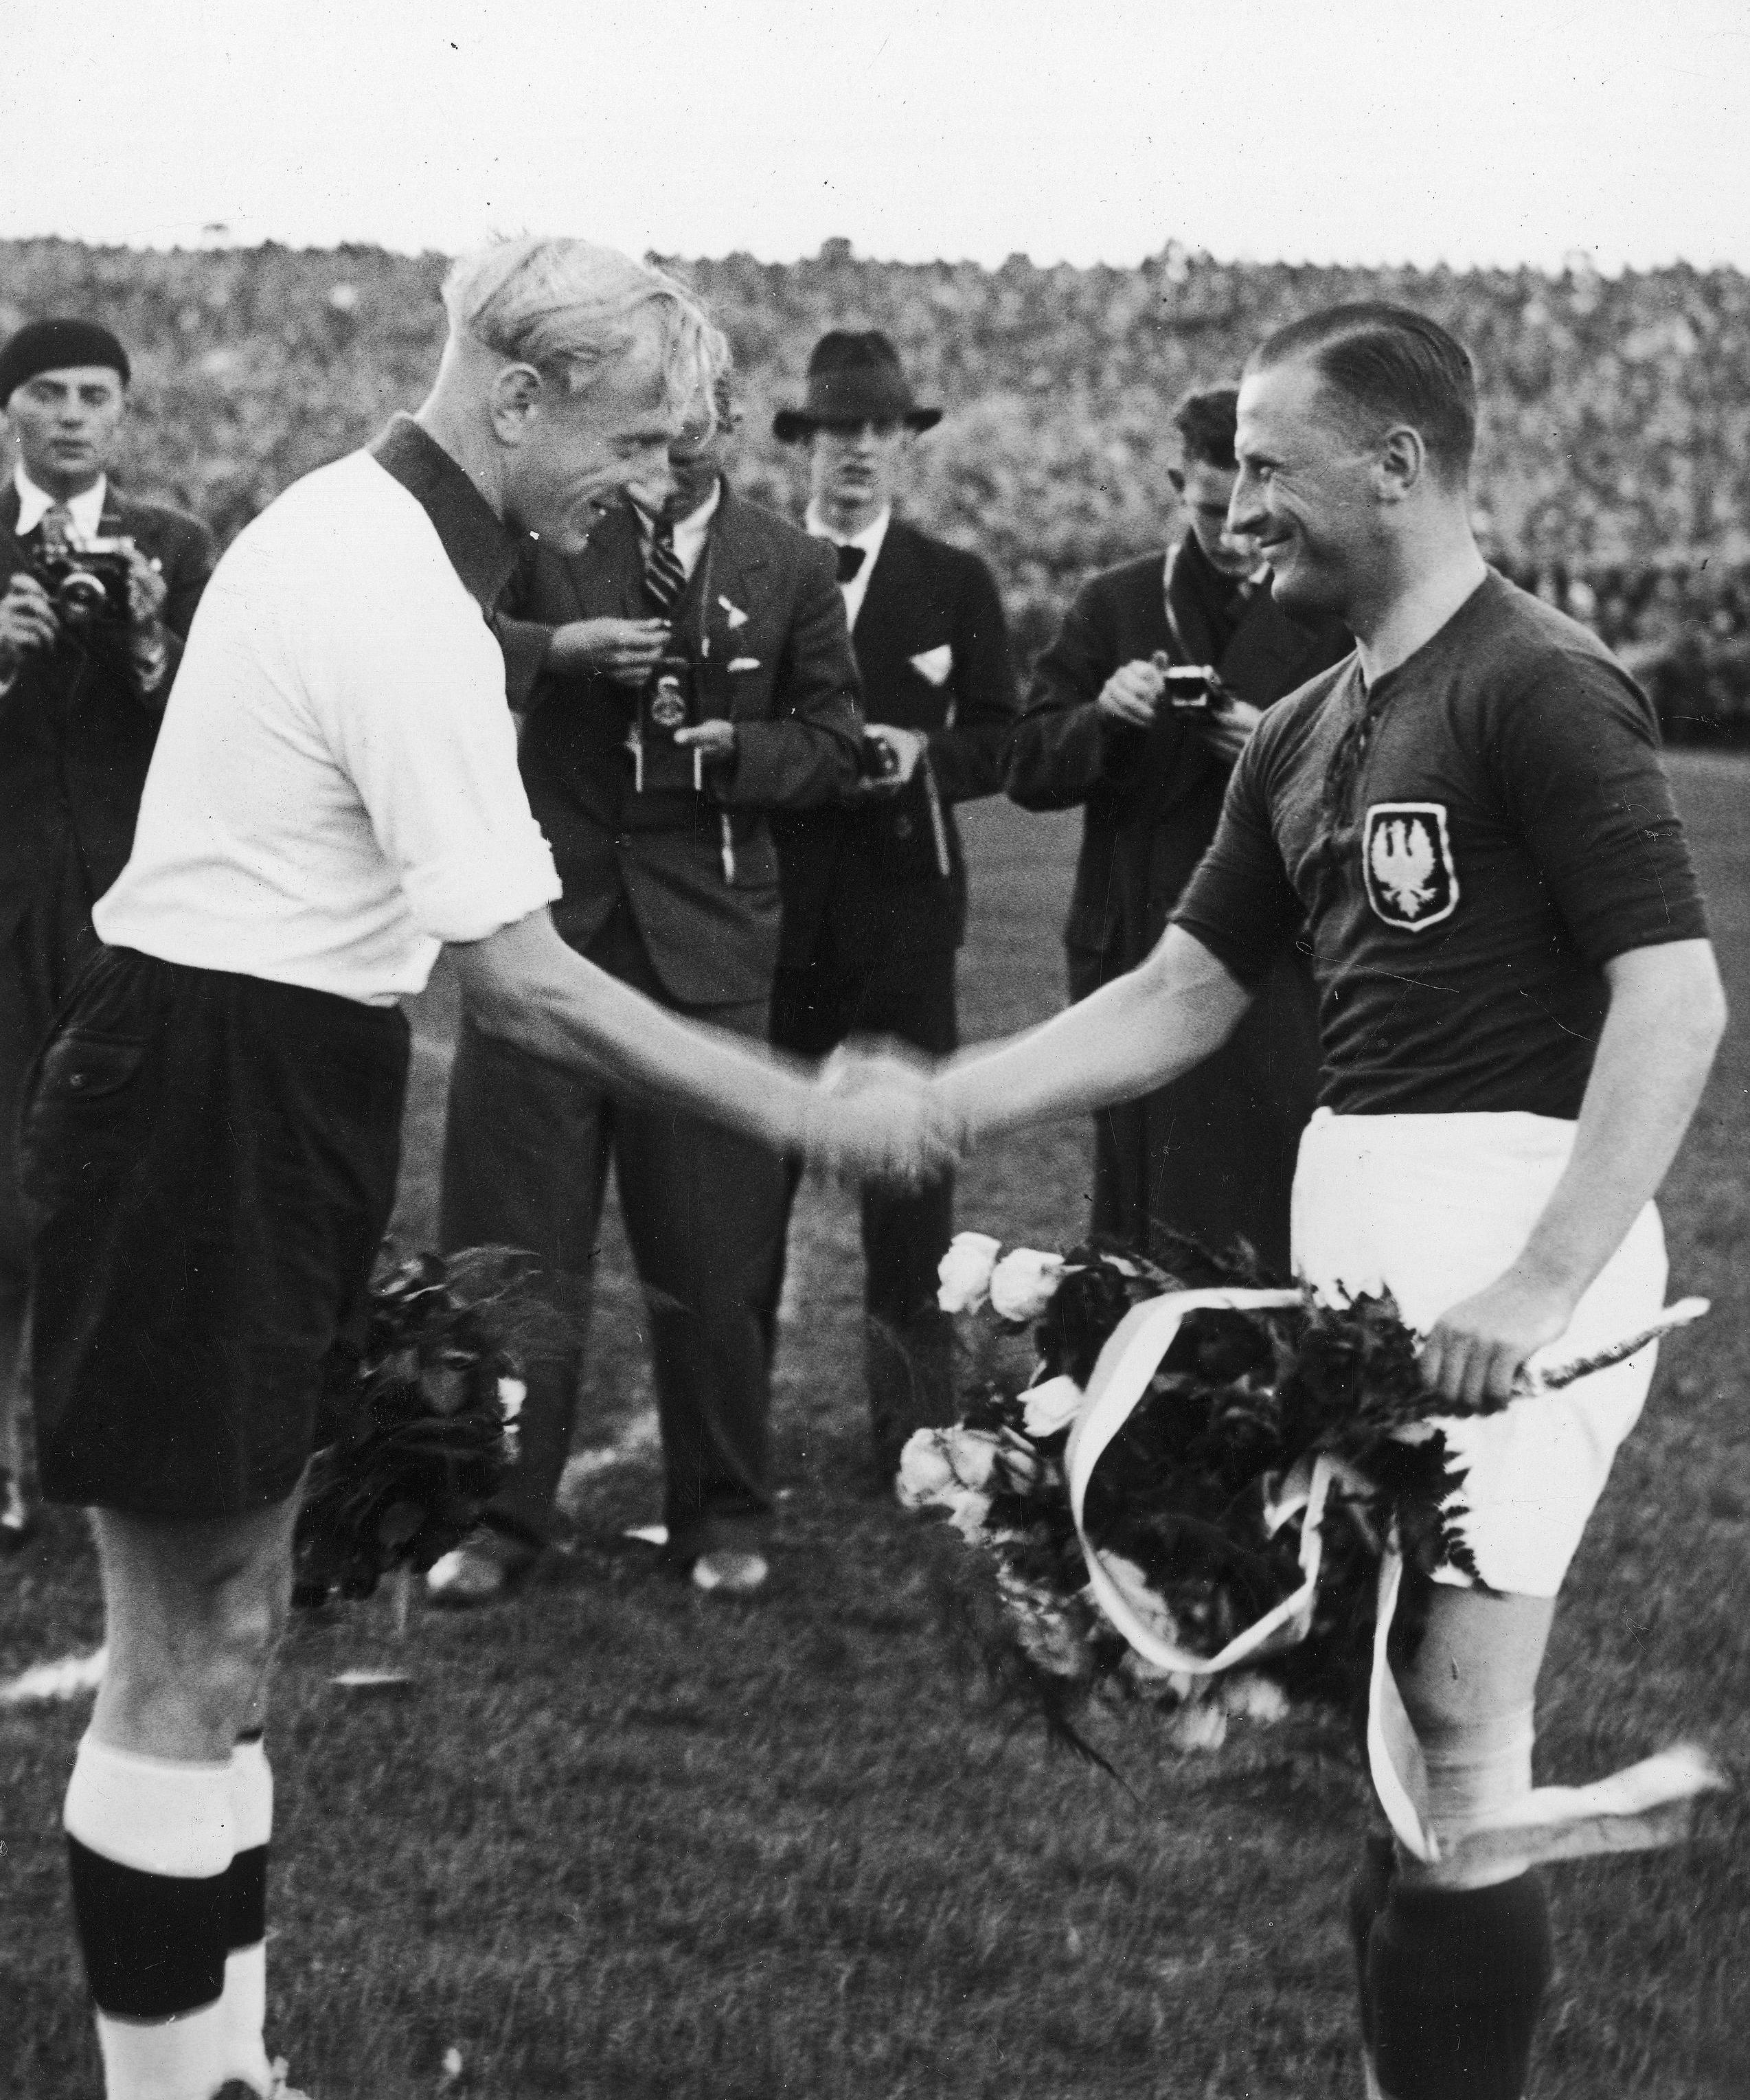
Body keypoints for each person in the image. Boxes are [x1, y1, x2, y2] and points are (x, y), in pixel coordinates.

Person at [22, 238, 953, 2100]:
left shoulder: (392, 550)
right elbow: (524, 981)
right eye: (626, 442)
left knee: (237, 1622)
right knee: (181, 1642)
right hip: (211, 1099)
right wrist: (799, 1104)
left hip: (270, 1082)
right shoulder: (388, 586)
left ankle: (215, 2087)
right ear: (515, 399)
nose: (641, 485)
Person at [931, 304, 1724, 2100]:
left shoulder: (1537, 679)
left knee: (1453, 1740)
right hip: (1360, 1230)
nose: (1236, 512)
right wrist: (953, 1094)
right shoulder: (1298, 721)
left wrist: (1536, 1279)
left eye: (1268, 473)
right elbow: (1183, 987)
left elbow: (1671, 998)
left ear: (1394, 465)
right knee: (1390, 1747)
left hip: (1508, 1232)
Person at [430, 376, 864, 1603]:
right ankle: (493, 1516)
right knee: (511, 1243)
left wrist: (748, 754)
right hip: (547, 934)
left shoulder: (790, 562)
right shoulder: (554, 535)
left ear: (730, 423)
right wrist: (555, 654)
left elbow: (838, 740)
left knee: (715, 1250)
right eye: (654, 419)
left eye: (698, 418)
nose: (676, 441)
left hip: (707, 948)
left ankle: (723, 1509)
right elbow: (444, 646)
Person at [1006, 385, 1350, 1276]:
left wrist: (1280, 746)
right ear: (1176, 484)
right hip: (1135, 947)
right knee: (1142, 1220)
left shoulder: (1329, 611)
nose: (1233, 534)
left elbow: (1388, 772)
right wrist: (1103, 719)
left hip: (1277, 965)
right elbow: (1026, 767)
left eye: (1251, 511)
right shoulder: (1115, 602)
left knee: (1270, 1215)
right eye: (1207, 510)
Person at [768, 330, 1019, 1476]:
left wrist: (927, 754)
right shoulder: (758, 568)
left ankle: (913, 1438)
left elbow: (1003, 738)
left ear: (905, 445)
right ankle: (729, 1449)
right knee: (748, 1182)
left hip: (906, 920)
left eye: (879, 429)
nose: (859, 450)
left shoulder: (955, 580)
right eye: (839, 430)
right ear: (806, 443)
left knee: (910, 1190)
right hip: (774, 918)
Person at [0, 317, 214, 1548]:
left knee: (128, 1183)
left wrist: (144, 643)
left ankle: (113, 1453)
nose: (74, 415)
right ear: (12, 411)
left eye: (95, 394)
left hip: (130, 905)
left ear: (124, 411)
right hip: (4, 898)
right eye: (49, 393)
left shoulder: (173, 545)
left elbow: (218, 724)